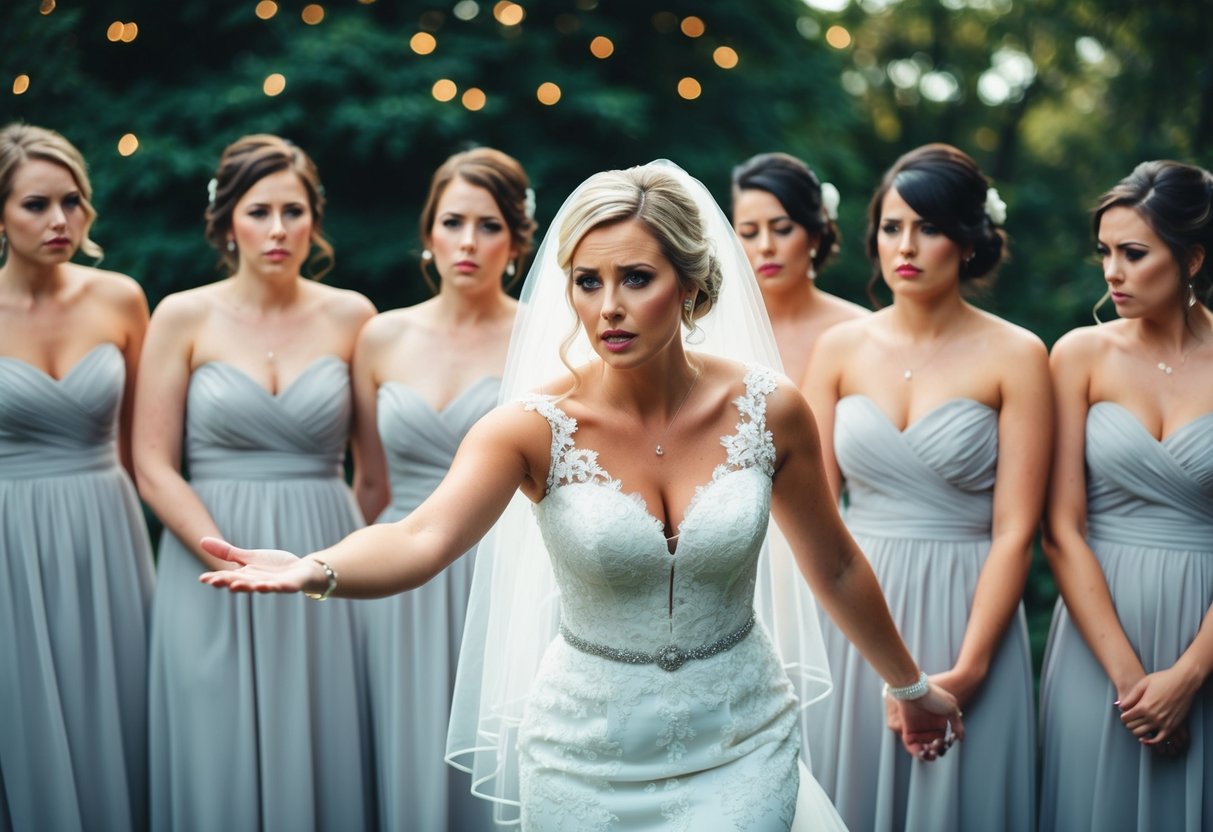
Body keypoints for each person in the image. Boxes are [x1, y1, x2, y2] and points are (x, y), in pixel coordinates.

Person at [198, 160, 964, 831]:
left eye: (636, 278)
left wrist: (909, 684)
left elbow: (832, 565)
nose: (608, 308)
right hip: (582, 755)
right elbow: (418, 537)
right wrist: (317, 568)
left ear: (691, 283)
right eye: (586, 282)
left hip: (740, 737)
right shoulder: (531, 427)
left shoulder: (771, 409)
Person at [134, 134, 377, 830]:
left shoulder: (354, 316)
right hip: (204, 555)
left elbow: (373, 476)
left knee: (322, 738)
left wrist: (335, 560)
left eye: (294, 212)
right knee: (214, 749)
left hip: (322, 551)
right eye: (259, 211)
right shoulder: (181, 314)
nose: (278, 230)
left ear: (315, 218)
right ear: (226, 219)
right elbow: (151, 461)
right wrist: (225, 551)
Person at [801, 143, 1047, 831]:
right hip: (852, 608)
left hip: (968, 604)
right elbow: (813, 514)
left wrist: (963, 675)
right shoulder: (839, 350)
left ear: (968, 241)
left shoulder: (1018, 355)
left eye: (929, 228)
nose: (904, 246)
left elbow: (1015, 531)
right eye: (890, 227)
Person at [350, 146, 535, 830]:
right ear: (428, 232)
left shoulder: (543, 339)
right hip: (400, 581)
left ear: (516, 240)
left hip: (504, 569)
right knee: (406, 753)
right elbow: (369, 478)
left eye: (489, 225)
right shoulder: (380, 337)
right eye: (453, 222)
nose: (468, 242)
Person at [1038, 160, 1213, 831]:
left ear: (1191, 257)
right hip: (1096, 639)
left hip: (1203, 636)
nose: (1111, 271)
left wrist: (1187, 677)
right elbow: (1059, 528)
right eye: (1104, 253)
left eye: (1133, 254)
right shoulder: (1078, 355)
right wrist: (1130, 682)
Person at [0, 123, 154, 832]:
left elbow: (138, 448)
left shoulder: (120, 299)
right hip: (11, 539)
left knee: (121, 707)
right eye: (36, 204)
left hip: (107, 526)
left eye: (72, 202)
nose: (59, 221)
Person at [732, 152, 868, 383]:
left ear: (815, 236)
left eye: (783, 229)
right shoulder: (711, 329)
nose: (765, 246)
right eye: (749, 233)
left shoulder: (862, 330)